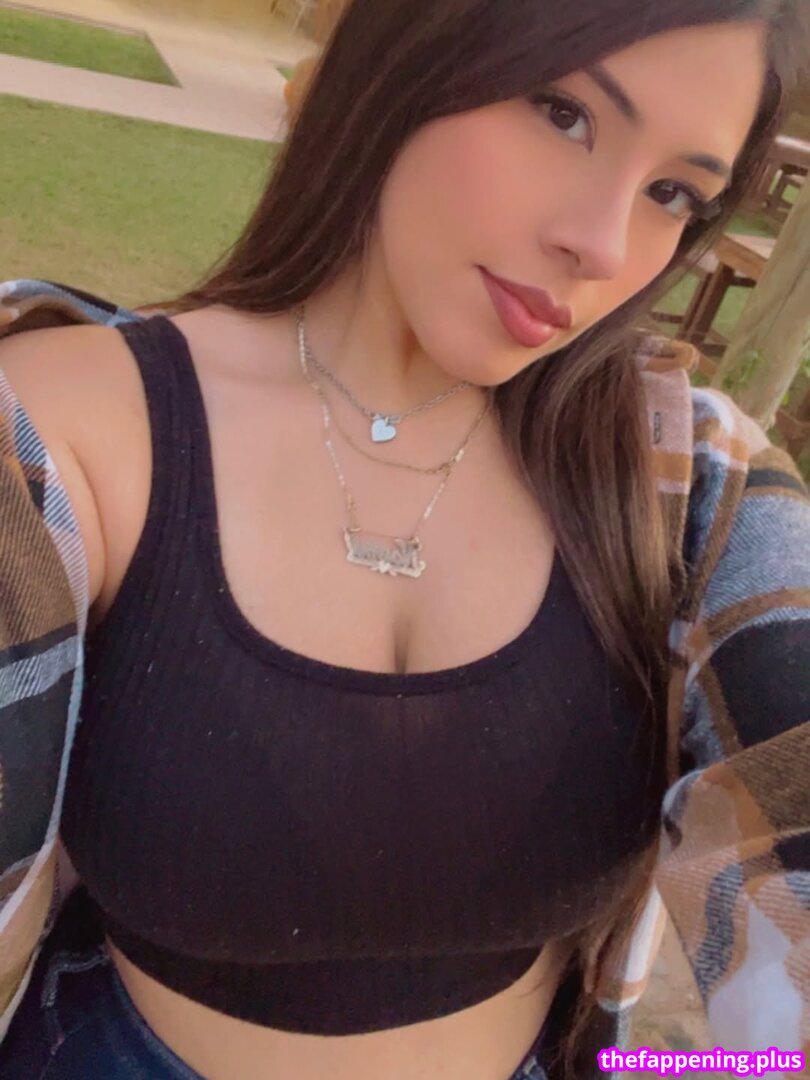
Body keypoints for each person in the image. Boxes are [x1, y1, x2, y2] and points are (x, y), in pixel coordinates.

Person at [0, 1, 808, 1078]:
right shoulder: (66, 433)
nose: (603, 244)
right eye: (563, 112)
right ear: (412, 52)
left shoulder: (688, 480)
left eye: (673, 193)